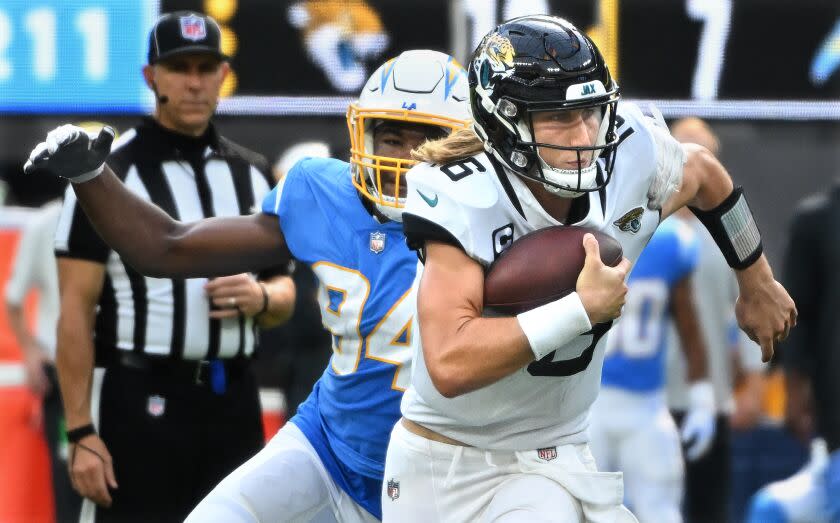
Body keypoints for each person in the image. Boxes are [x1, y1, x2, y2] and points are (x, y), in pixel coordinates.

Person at [379, 15, 796, 522]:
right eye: (557, 116)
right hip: (446, 466)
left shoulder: (625, 155)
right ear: (504, 119)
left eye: (590, 112)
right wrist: (580, 308)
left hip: (555, 455)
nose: (582, 135)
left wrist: (757, 281)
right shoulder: (461, 191)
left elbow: (706, 175)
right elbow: (449, 362)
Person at [23, 49, 470, 521]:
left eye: (426, 143)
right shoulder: (327, 194)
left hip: (444, 468)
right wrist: (91, 176)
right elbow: (167, 245)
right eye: (393, 138)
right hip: (329, 449)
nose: (404, 159)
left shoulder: (497, 220)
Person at [49, 12, 296, 522]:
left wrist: (264, 300)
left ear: (224, 75)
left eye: (207, 67)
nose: (194, 81)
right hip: (140, 400)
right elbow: (74, 309)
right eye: (179, 66)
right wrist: (81, 432)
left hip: (234, 401)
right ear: (150, 77)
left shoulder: (253, 173)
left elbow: (286, 288)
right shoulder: (107, 175)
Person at [665, 117, 767, 523]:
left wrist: (755, 385)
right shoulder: (641, 229)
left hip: (711, 397)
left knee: (710, 510)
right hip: (648, 397)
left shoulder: (731, 238)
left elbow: (752, 303)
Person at [589, 215, 713, 523]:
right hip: (586, 402)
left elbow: (689, 322)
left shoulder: (671, 240)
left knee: (660, 511)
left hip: (645, 403)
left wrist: (703, 398)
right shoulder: (583, 229)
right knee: (580, 507)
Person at [742, 182, 840, 523]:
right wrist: (795, 388)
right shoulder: (820, 220)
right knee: (768, 512)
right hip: (834, 431)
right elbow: (802, 316)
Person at [4, 197, 83, 522]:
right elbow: (13, 299)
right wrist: (30, 350)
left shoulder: (128, 217)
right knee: (69, 477)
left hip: (117, 371)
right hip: (64, 375)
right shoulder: (46, 223)